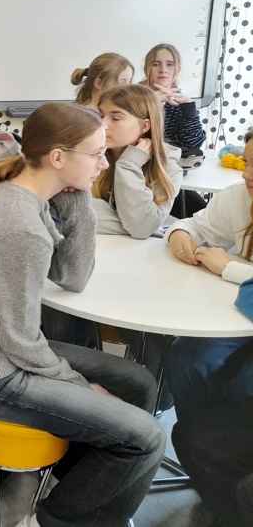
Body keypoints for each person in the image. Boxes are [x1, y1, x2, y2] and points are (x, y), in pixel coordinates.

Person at [0, 102, 165, 527]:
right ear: (58, 157)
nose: (104, 164)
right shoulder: (18, 224)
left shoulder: (30, 195)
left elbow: (72, 277)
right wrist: (80, 385)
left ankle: (87, 485)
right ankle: (54, 520)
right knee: (148, 438)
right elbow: (22, 342)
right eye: (95, 154)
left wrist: (78, 201)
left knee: (139, 382)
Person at [163, 130, 253, 526]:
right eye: (246, 162)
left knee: (243, 383)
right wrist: (180, 234)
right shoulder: (239, 196)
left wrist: (229, 268)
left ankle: (229, 472)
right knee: (187, 357)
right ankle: (210, 473)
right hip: (241, 316)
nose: (247, 174)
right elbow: (192, 225)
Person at [92, 84, 182, 238]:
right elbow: (71, 211)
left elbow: (141, 228)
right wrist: (132, 225)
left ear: (144, 126)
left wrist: (129, 165)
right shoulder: (87, 156)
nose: (103, 125)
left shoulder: (168, 170)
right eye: (100, 116)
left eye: (116, 118)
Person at [140, 43, 207, 151]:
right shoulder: (131, 97)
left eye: (170, 64)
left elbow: (193, 144)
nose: (163, 70)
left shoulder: (180, 103)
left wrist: (188, 107)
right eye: (155, 64)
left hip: (171, 160)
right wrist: (149, 101)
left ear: (178, 70)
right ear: (146, 70)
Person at [70, 52, 134, 110]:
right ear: (99, 84)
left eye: (130, 81)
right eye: (123, 82)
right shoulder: (84, 115)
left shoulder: (121, 110)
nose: (129, 87)